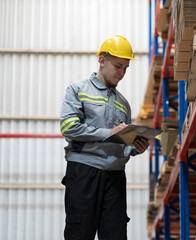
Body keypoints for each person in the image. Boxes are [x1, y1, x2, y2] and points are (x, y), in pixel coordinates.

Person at [60, 35, 149, 240]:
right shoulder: (77, 90)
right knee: (80, 233)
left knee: (116, 235)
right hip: (84, 172)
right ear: (102, 60)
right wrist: (108, 133)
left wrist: (136, 147)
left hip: (115, 177)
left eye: (126, 68)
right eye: (118, 66)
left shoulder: (123, 103)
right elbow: (69, 127)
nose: (122, 73)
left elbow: (122, 143)